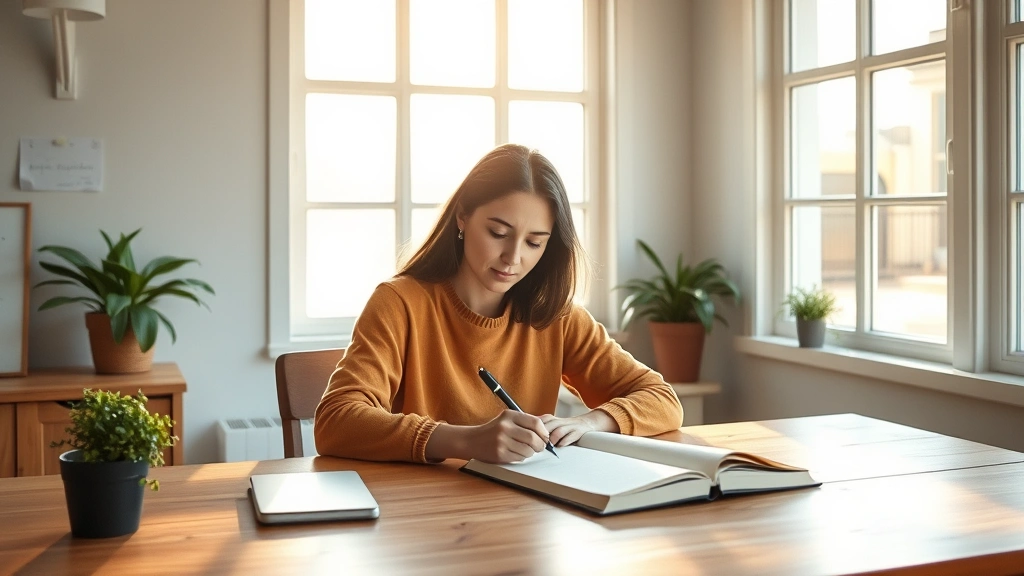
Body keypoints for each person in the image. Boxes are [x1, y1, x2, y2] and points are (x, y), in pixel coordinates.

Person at [314, 144, 682, 464]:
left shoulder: (556, 316)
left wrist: (589, 421)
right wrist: (465, 440)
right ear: (463, 216)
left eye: (534, 243)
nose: (512, 257)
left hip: (524, 515)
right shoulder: (400, 303)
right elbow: (336, 421)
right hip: (425, 517)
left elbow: (663, 400)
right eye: (498, 233)